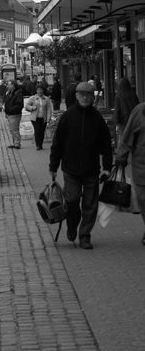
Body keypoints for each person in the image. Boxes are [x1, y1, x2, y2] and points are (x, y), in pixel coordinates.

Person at [49, 82, 112, 249]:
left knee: (90, 204)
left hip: (91, 169)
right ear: (76, 96)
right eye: (82, 94)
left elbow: (106, 145)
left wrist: (107, 167)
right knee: (72, 201)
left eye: (88, 95)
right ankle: (71, 226)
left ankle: (85, 236)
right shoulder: (68, 117)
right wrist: (53, 166)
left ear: (93, 97)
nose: (85, 97)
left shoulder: (97, 118)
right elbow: (57, 143)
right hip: (70, 169)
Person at [116, 101, 145, 245]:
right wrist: (121, 157)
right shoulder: (140, 111)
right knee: (143, 199)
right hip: (142, 167)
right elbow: (127, 137)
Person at [114, 77, 139, 148]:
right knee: (133, 140)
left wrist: (116, 123)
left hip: (123, 122)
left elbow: (117, 110)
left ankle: (122, 157)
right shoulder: (133, 94)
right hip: (133, 121)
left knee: (122, 140)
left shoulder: (118, 96)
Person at [25, 84, 52, 150]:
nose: (39, 91)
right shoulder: (32, 98)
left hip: (43, 117)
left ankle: (40, 144)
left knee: (42, 131)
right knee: (37, 130)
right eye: (38, 90)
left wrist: (48, 117)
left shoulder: (46, 98)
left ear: (43, 91)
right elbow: (27, 106)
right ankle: (38, 145)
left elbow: (49, 109)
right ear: (36, 91)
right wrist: (32, 108)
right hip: (35, 117)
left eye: (41, 90)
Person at [4, 79, 24, 149]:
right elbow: (7, 102)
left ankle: (17, 143)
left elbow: (19, 105)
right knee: (12, 129)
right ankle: (15, 142)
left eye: (9, 85)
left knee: (14, 129)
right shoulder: (10, 92)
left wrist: (10, 109)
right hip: (10, 114)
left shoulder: (18, 93)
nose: (7, 86)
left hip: (15, 114)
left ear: (13, 85)